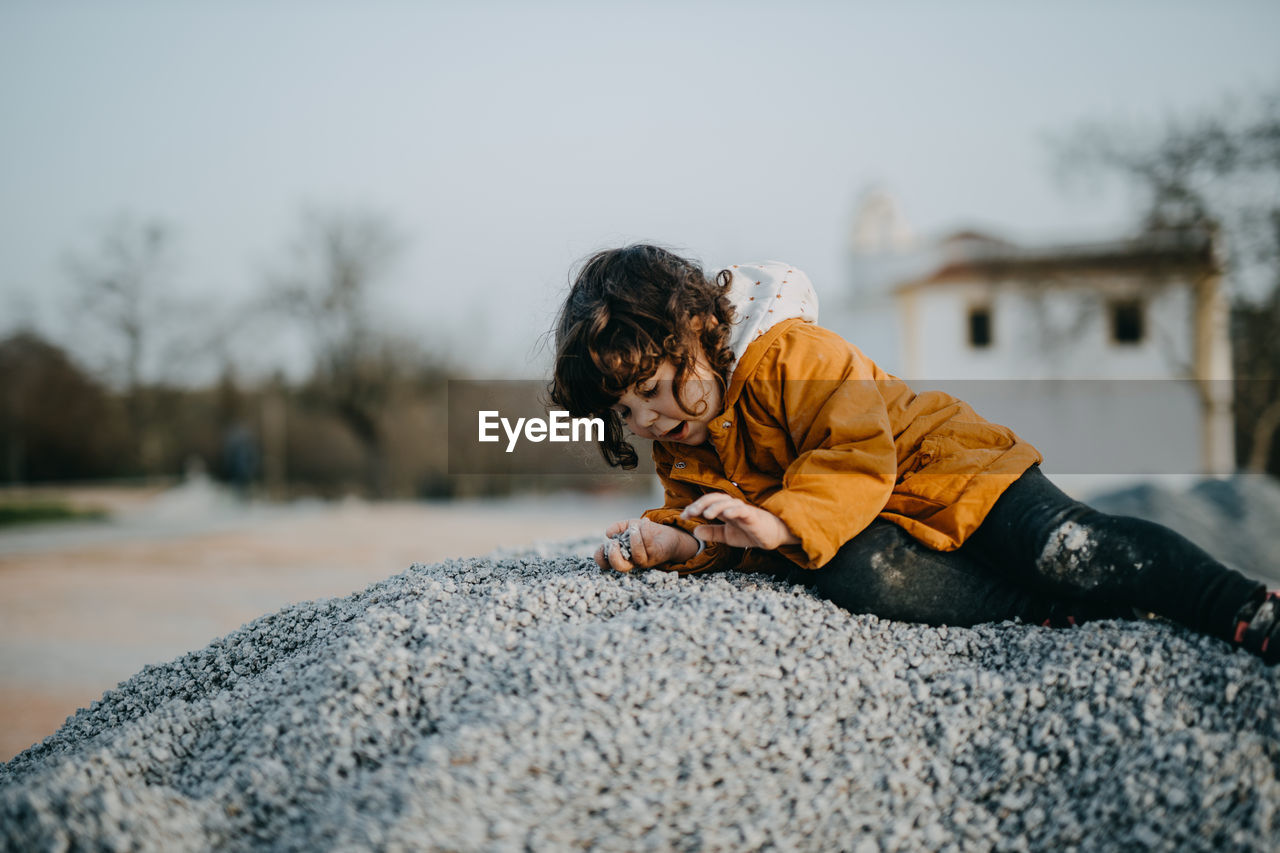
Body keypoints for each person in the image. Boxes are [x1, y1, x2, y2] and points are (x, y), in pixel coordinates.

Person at [547, 244, 1280, 666]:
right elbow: (723, 528)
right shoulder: (684, 446)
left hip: (954, 470)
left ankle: (1239, 605)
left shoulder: (790, 355)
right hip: (873, 524)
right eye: (625, 411)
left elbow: (856, 453)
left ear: (699, 328)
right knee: (851, 570)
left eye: (653, 387)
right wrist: (680, 538)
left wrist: (778, 522)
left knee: (1066, 547)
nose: (650, 420)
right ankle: (1048, 615)